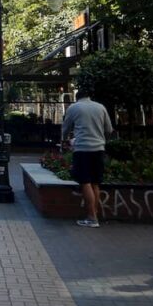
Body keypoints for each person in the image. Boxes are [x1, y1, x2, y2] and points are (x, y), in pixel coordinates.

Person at [61, 88, 114, 228]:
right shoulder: (100, 107)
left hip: (82, 149)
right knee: (95, 182)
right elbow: (109, 129)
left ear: (77, 97)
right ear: (89, 96)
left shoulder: (74, 108)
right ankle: (94, 213)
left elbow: (65, 128)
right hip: (98, 149)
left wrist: (64, 140)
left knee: (85, 182)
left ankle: (92, 217)